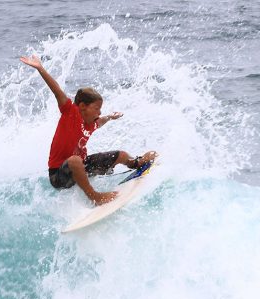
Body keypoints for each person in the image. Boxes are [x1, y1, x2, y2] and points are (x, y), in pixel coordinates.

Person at [20, 54, 157, 205]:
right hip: (59, 175)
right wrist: (40, 68)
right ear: (83, 106)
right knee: (75, 160)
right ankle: (95, 197)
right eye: (97, 108)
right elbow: (56, 90)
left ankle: (136, 163)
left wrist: (110, 116)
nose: (99, 112)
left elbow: (101, 121)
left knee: (121, 155)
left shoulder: (91, 123)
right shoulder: (70, 112)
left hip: (82, 166)